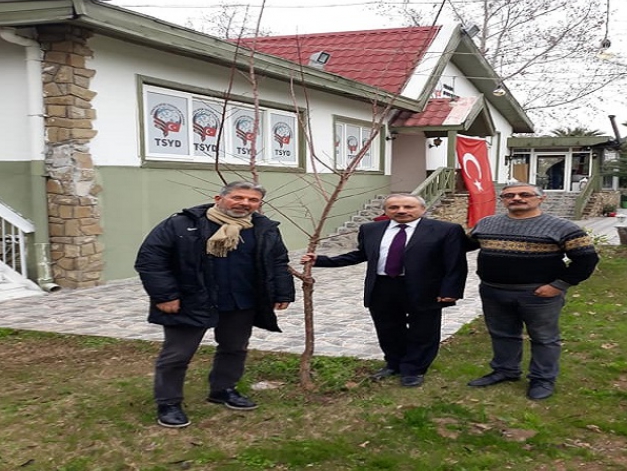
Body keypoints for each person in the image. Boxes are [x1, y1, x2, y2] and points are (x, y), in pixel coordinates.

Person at [135, 180, 295, 428]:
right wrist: (165, 295)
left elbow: (277, 260)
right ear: (219, 198)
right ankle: (168, 403)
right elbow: (151, 260)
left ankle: (223, 389)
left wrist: (283, 292)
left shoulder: (264, 228)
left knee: (235, 348)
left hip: (241, 300)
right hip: (191, 300)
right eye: (238, 197)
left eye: (253, 200)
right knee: (177, 355)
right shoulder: (182, 224)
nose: (245, 204)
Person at [301, 194, 467, 387]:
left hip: (424, 288)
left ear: (422, 209)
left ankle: (414, 370)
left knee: (423, 331)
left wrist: (451, 290)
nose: (401, 211)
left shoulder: (445, 230)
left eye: (408, 207)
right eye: (394, 207)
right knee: (388, 328)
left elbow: (455, 262)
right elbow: (360, 255)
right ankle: (394, 363)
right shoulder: (371, 229)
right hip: (382, 286)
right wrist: (320, 260)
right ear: (386, 210)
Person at [466, 182, 599, 400]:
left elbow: (586, 259)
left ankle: (542, 379)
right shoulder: (486, 224)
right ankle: (505, 370)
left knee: (544, 338)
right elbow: (464, 244)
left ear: (541, 198)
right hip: (493, 291)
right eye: (509, 195)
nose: (516, 198)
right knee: (502, 334)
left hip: (538, 295)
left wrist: (558, 285)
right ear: (503, 200)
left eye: (524, 194)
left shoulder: (563, 227)